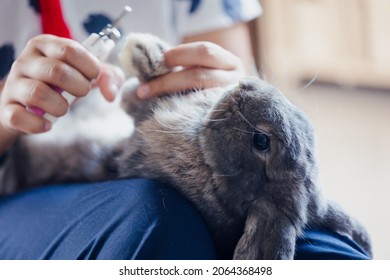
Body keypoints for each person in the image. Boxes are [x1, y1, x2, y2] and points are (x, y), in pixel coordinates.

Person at [0, 0, 370, 260]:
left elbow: (243, 86)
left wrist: (213, 87)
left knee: (326, 251)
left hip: (199, 181)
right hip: (23, 186)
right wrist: (7, 116)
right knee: (156, 219)